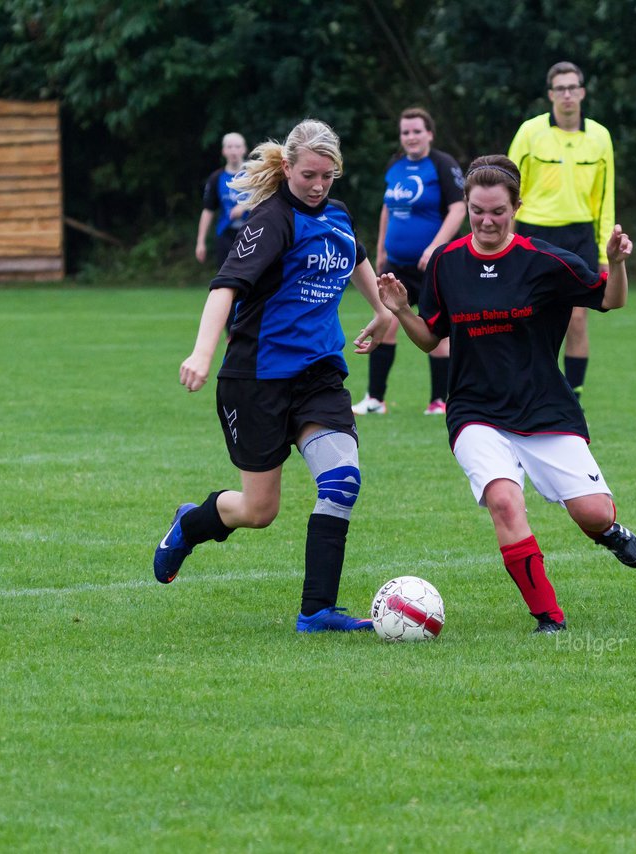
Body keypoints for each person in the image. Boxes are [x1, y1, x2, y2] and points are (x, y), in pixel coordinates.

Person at [376, 154, 636, 635]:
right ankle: (549, 617)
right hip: (474, 410)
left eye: (498, 210)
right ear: (467, 206)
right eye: (478, 210)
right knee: (504, 500)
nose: (486, 220)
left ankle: (608, 531)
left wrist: (618, 264)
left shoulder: (546, 261)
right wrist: (400, 310)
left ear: (516, 207)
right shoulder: (445, 263)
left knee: (592, 512)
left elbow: (611, 299)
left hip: (544, 405)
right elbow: (431, 338)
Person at [154, 119, 394, 632]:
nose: (318, 185)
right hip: (257, 379)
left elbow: (356, 256)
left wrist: (381, 309)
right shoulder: (272, 220)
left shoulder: (337, 214)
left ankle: (317, 611)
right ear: (287, 167)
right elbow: (225, 288)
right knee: (260, 510)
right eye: (309, 174)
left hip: (319, 374)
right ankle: (190, 524)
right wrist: (201, 352)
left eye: (328, 176)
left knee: (342, 480)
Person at [506, 61, 615, 401]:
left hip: (580, 235)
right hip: (534, 232)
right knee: (528, 316)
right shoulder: (530, 132)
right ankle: (528, 386)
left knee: (577, 318)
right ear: (551, 94)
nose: (567, 95)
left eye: (573, 88)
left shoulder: (600, 137)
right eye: (560, 89)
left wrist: (603, 252)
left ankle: (574, 395)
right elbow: (508, 187)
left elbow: (605, 197)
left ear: (582, 92)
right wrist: (502, 239)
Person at [352, 107, 465, 417]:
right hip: (397, 265)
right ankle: (375, 400)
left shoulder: (442, 165)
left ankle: (440, 401)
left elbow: (459, 208)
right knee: (385, 322)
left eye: (417, 131)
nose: (411, 137)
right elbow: (387, 209)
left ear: (429, 133)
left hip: (431, 265)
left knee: (435, 330)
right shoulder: (396, 166)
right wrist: (380, 251)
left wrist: (435, 247)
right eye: (405, 132)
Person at [194, 132, 250, 269]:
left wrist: (245, 206)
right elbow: (208, 210)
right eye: (229, 147)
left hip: (251, 233)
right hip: (225, 234)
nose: (233, 151)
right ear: (223, 151)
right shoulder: (216, 178)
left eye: (237, 146)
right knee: (225, 278)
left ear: (244, 149)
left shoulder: (255, 175)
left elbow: (267, 200)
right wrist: (200, 241)